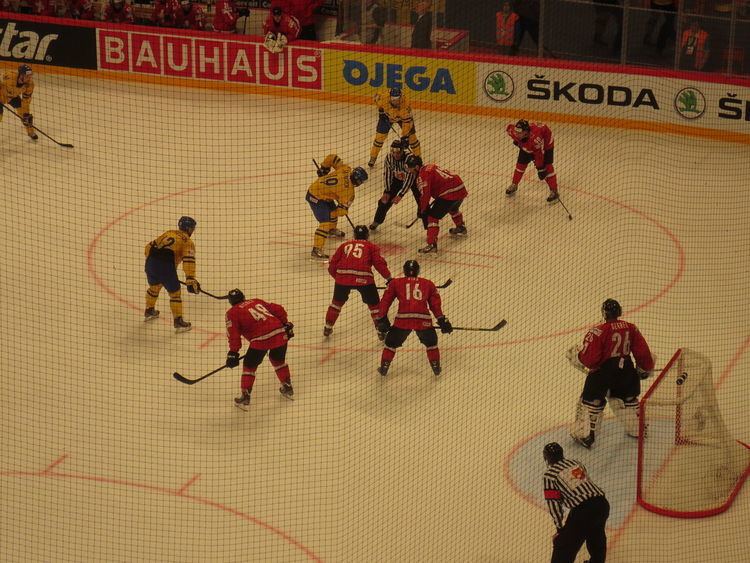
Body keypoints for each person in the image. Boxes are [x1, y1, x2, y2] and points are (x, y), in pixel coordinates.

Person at [567, 299, 655, 448]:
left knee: (591, 402)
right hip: (626, 371)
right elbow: (643, 353)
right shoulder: (631, 328)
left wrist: (578, 356)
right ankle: (638, 429)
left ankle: (586, 434)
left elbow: (590, 360)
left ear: (604, 313)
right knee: (627, 400)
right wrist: (645, 368)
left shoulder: (598, 331)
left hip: (603, 374)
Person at [376, 260, 452, 376]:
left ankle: (384, 367)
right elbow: (435, 305)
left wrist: (381, 318)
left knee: (390, 343)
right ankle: (436, 367)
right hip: (423, 320)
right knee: (431, 343)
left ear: (404, 270)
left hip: (403, 320)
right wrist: (442, 320)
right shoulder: (428, 284)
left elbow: (385, 301)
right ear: (418, 271)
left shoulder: (395, 283)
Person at [224, 289, 295, 409]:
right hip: (279, 332)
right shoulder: (256, 301)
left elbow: (234, 335)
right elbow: (278, 309)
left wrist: (233, 352)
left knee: (249, 366)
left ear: (230, 302)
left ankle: (245, 395)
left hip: (260, 339)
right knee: (277, 360)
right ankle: (287, 386)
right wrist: (285, 324)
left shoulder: (231, 313)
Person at [543, 442, 610, 563]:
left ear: (546, 458)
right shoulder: (575, 463)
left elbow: (554, 505)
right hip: (602, 504)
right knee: (596, 536)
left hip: (584, 511)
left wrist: (560, 529)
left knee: (563, 547)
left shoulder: (550, 475)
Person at [323, 225, 392, 339]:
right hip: (364, 279)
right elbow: (379, 264)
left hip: (342, 278)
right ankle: (380, 331)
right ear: (367, 235)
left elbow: (332, 265)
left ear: (354, 235)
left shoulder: (344, 245)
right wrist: (389, 278)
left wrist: (339, 278)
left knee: (336, 303)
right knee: (374, 306)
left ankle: (328, 326)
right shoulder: (371, 246)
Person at [307, 154, 369, 261]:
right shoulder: (349, 193)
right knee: (325, 222)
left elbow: (332, 158)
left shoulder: (346, 169)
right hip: (315, 197)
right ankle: (316, 250)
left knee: (331, 210)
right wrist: (337, 211)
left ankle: (331, 229)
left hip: (322, 192)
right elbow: (341, 212)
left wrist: (324, 169)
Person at [143, 216, 199, 332]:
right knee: (175, 294)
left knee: (154, 287)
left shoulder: (169, 232)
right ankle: (178, 321)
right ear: (189, 229)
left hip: (150, 262)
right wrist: (190, 278)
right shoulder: (188, 242)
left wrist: (155, 265)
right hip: (165, 266)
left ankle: (149, 310)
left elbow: (148, 247)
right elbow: (189, 260)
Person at [405, 155, 468, 254]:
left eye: (410, 168)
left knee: (432, 217)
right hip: (460, 189)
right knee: (453, 209)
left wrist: (423, 209)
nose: (409, 170)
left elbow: (425, 195)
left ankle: (431, 245)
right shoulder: (430, 166)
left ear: (416, 167)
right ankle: (460, 227)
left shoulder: (422, 175)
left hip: (449, 194)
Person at [369, 139, 419, 232]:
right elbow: (387, 174)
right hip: (398, 179)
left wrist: (401, 195)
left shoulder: (409, 159)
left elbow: (410, 179)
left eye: (398, 152)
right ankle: (377, 221)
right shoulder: (389, 157)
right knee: (384, 201)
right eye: (393, 151)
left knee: (421, 202)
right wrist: (387, 191)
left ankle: (428, 224)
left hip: (414, 180)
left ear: (402, 150)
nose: (395, 154)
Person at [505, 119, 559, 203]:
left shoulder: (535, 139)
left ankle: (554, 191)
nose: (517, 134)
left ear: (526, 132)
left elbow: (539, 155)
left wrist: (540, 169)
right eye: (516, 132)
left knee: (547, 167)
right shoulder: (514, 132)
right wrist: (517, 141)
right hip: (528, 146)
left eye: (520, 132)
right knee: (520, 166)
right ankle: (514, 184)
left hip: (545, 142)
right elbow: (509, 128)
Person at [369, 87, 421, 168]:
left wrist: (405, 137)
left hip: (403, 119)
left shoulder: (406, 105)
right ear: (390, 97)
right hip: (387, 117)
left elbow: (407, 123)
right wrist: (381, 110)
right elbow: (376, 99)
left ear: (400, 97)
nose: (395, 101)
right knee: (379, 138)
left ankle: (418, 157)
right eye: (393, 99)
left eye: (397, 99)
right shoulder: (383, 97)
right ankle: (373, 157)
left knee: (412, 139)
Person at [0, 64, 38, 141]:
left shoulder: (30, 85)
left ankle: (30, 132)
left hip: (13, 97)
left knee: (25, 115)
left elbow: (26, 100)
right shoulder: (9, 76)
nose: (29, 78)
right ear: (21, 75)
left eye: (30, 76)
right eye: (27, 76)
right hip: (1, 96)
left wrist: (25, 114)